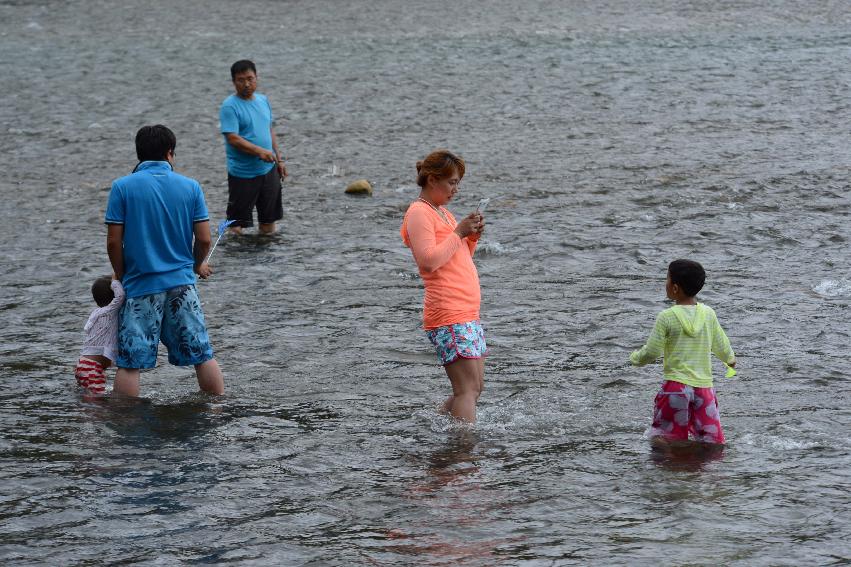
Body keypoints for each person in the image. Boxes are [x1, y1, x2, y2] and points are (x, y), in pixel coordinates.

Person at [105, 125, 224, 397]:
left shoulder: (121, 187)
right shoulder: (190, 186)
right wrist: (196, 265)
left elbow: (113, 242)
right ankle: (217, 410)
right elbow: (204, 239)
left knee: (130, 362)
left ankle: (126, 423)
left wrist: (120, 274)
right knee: (202, 354)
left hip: (140, 285)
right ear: (170, 153)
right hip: (181, 284)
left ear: (139, 154)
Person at [400, 149, 487, 423]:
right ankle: (463, 449)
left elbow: (456, 258)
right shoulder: (418, 213)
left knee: (475, 389)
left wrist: (470, 238)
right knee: (466, 390)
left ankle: (437, 426)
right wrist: (460, 232)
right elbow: (428, 263)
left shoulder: (444, 214)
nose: (456, 189)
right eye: (452, 182)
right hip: (448, 311)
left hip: (466, 310)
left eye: (458, 183)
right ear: (432, 180)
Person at [630, 259, 736, 444]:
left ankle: (672, 469)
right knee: (711, 441)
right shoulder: (708, 314)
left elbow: (653, 351)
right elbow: (721, 343)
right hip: (704, 391)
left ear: (675, 288)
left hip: (675, 389)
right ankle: (701, 470)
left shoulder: (667, 317)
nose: (666, 283)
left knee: (665, 439)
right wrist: (730, 360)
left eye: (667, 279)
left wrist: (636, 358)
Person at [219, 59, 288, 235]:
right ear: (234, 82)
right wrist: (259, 151)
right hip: (243, 174)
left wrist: (278, 159)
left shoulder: (263, 100)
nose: (246, 84)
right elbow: (233, 138)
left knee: (269, 221)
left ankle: (265, 258)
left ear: (257, 78)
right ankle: (239, 259)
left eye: (250, 78)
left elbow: (269, 130)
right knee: (235, 226)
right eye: (241, 80)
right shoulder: (229, 106)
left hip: (268, 170)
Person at [74, 275, 125, 395]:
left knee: (89, 400)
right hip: (92, 368)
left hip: (83, 364)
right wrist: (115, 280)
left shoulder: (96, 313)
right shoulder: (109, 311)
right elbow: (121, 295)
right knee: (96, 407)